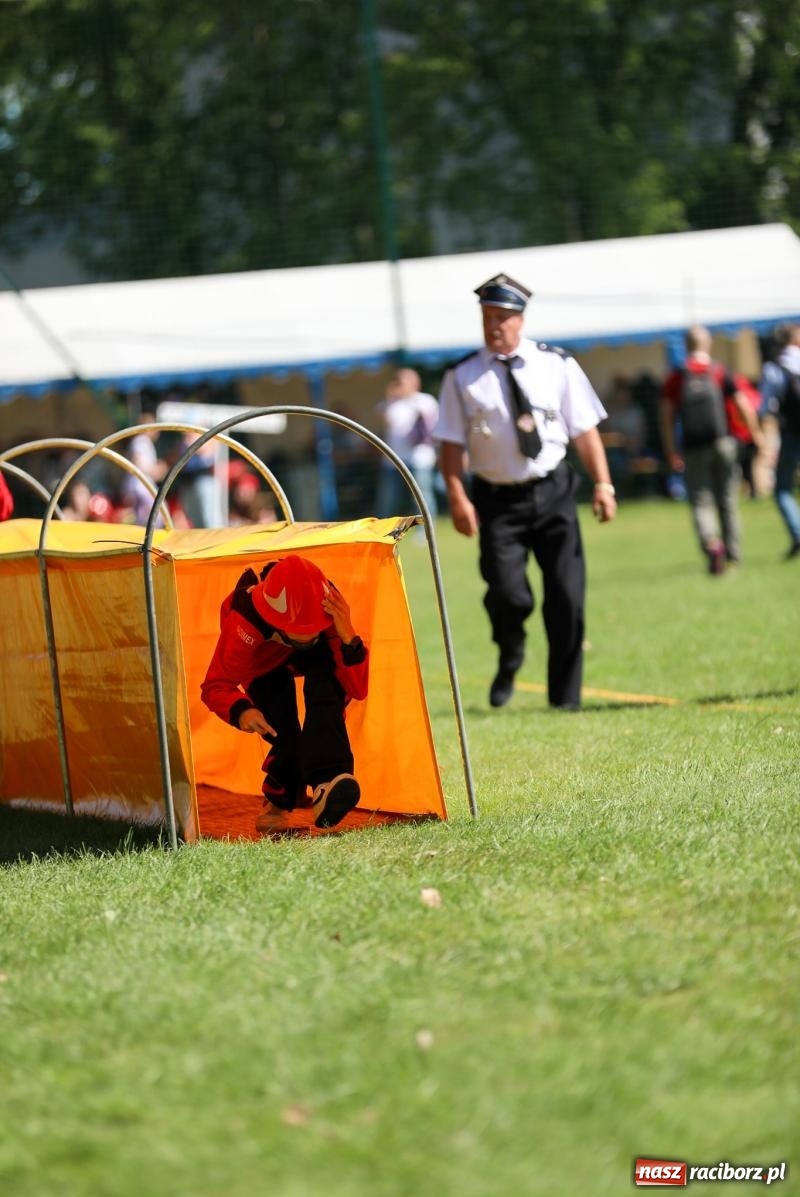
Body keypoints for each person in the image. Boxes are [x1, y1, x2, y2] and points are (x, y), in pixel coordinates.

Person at [435, 272, 617, 711]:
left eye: (502, 317)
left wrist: (603, 484)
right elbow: (450, 444)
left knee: (567, 595)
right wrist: (458, 497)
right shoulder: (461, 376)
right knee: (508, 594)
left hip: (553, 489)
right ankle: (510, 650)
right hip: (497, 500)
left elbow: (585, 431)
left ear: (521, 319)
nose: (494, 325)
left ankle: (565, 699)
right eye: (487, 317)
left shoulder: (556, 364)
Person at [200, 554, 369, 834]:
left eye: (312, 632)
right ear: (274, 622)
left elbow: (358, 689)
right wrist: (241, 710)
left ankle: (328, 783)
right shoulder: (244, 618)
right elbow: (216, 685)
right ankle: (278, 802)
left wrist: (349, 638)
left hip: (322, 646)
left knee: (327, 696)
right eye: (296, 635)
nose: (304, 638)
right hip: (262, 661)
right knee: (281, 730)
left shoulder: (330, 608)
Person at [660, 325, 763, 574]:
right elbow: (743, 405)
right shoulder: (719, 372)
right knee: (728, 501)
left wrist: (672, 449)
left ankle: (711, 543)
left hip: (694, 447)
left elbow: (666, 417)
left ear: (685, 346)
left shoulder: (677, 376)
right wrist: (755, 434)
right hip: (723, 442)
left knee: (700, 501)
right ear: (708, 344)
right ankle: (734, 557)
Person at [375, 368, 440, 520]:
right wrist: (389, 397)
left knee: (422, 497)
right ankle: (382, 532)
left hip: (419, 458)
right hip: (393, 459)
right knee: (388, 499)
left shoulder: (425, 400)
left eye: (403, 381)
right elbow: (383, 422)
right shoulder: (391, 404)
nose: (399, 384)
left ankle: (426, 531)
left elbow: (433, 427)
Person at [759, 322, 800, 559]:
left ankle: (797, 533)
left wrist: (765, 437)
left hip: (792, 433)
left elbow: (766, 406)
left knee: (783, 488)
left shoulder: (774, 368)